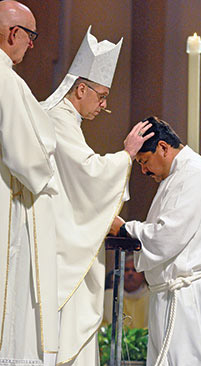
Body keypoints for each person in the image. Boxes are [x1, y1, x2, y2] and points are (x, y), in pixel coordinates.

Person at [41, 26, 153, 365]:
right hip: (58, 243)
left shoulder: (64, 119)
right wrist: (127, 155)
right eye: (101, 96)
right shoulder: (59, 118)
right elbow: (88, 173)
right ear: (80, 88)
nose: (104, 105)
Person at [110, 116, 201, 366]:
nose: (143, 171)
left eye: (144, 161)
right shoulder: (177, 175)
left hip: (187, 299)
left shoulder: (193, 173)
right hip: (173, 296)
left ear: (163, 147)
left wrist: (124, 229)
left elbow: (167, 236)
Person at [0, 1, 59, 366]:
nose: (32, 45)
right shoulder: (5, 81)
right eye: (30, 35)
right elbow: (24, 154)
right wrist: (50, 177)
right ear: (11, 33)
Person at [103, 254, 149, 329]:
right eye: (126, 270)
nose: (130, 273)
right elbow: (108, 324)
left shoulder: (151, 297)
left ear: (143, 275)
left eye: (135, 270)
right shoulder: (112, 295)